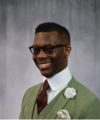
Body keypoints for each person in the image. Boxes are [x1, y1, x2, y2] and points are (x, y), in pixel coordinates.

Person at [19, 22, 100, 119]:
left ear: (67, 51)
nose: (40, 56)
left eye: (49, 48)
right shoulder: (29, 95)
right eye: (36, 49)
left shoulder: (89, 103)